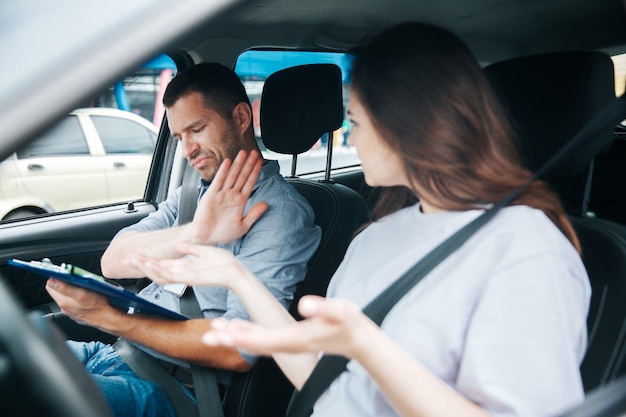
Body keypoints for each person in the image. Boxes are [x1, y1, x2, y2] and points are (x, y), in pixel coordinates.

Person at [130, 23, 591, 417]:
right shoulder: (374, 238)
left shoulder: (523, 245)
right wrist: (237, 279)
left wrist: (369, 347)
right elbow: (324, 381)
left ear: (409, 122)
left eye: (357, 119)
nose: (351, 134)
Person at [45, 62, 321, 417]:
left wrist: (109, 318)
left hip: (177, 390)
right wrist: (197, 232)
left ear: (240, 117)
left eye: (197, 129)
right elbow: (113, 261)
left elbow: (236, 350)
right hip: (117, 352)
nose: (187, 149)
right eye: (178, 137)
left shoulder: (279, 213)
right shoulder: (192, 194)